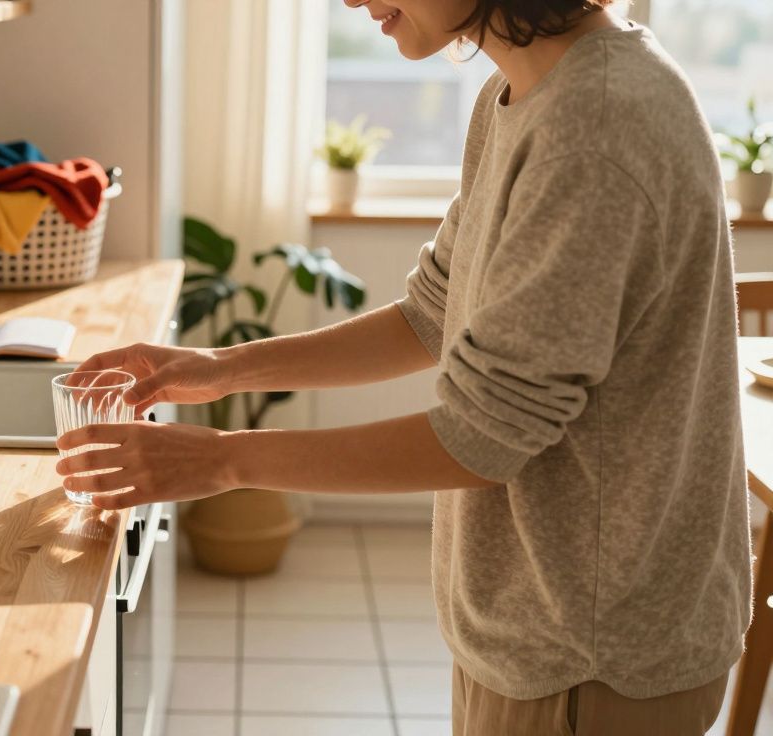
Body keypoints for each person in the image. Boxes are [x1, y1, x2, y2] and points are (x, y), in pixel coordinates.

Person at [55, 0, 752, 733]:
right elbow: (432, 313)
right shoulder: (520, 95)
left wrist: (221, 461)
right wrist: (222, 368)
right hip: (542, 636)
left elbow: (483, 437)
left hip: (591, 654)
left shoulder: (596, 128)